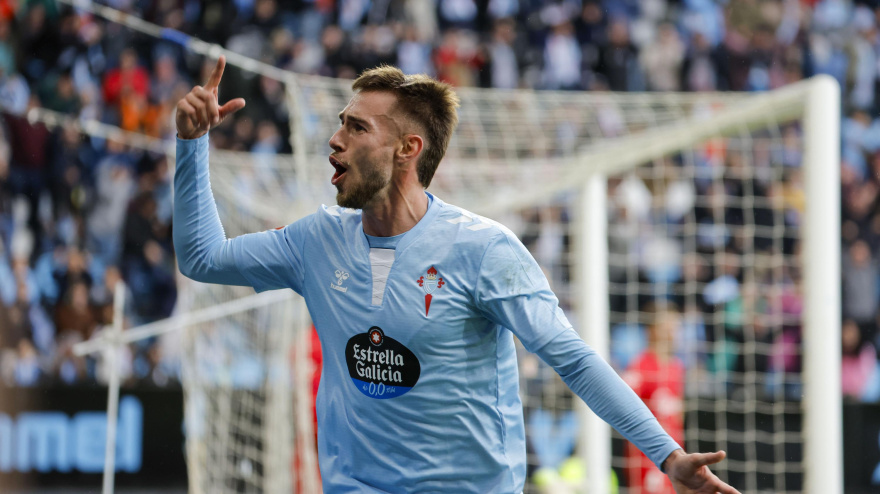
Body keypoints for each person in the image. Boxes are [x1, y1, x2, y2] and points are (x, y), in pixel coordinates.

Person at [173, 56, 740, 494]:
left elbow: (572, 356)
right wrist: (192, 144)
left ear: (407, 149)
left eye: (357, 128)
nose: (335, 139)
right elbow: (203, 259)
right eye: (341, 123)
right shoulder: (313, 242)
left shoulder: (483, 249)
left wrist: (667, 455)